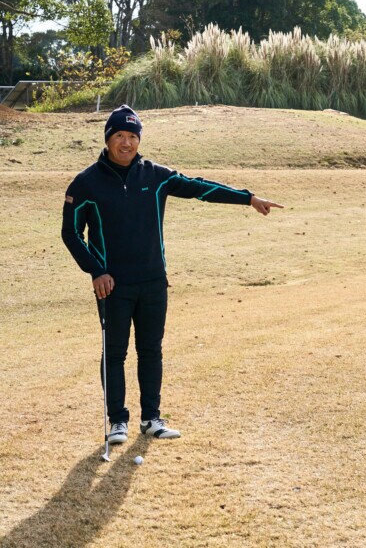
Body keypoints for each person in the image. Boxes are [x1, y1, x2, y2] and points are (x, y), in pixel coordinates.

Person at [61, 104, 283, 443]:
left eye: (132, 136)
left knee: (151, 350)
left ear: (139, 140)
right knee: (115, 352)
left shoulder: (155, 175)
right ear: (108, 139)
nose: (126, 143)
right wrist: (96, 270)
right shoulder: (86, 183)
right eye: (119, 135)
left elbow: (198, 188)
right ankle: (117, 421)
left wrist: (248, 198)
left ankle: (151, 419)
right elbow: (70, 233)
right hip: (112, 286)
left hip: (153, 282)